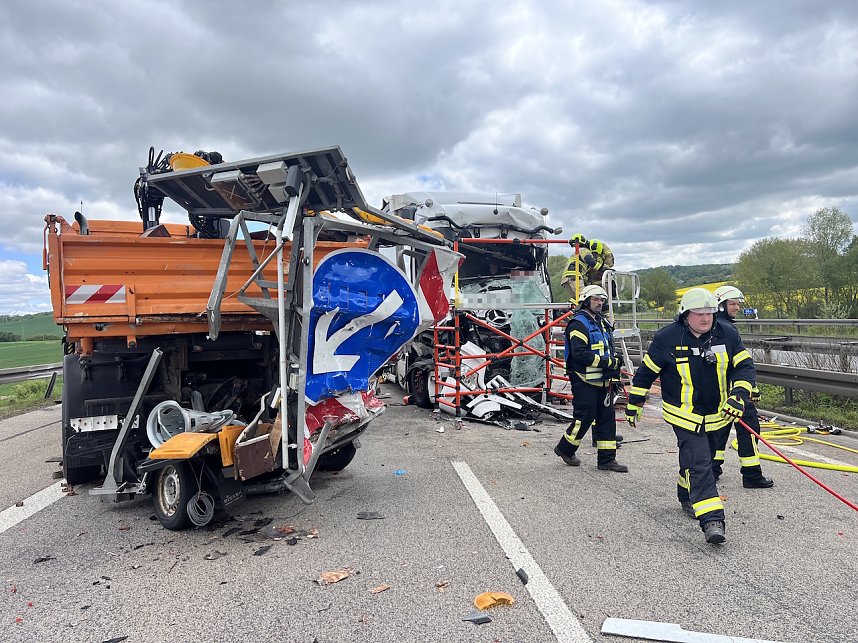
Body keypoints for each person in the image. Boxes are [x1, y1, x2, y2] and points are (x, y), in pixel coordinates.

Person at [625, 288, 755, 544]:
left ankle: (685, 492)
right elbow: (646, 372)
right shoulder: (667, 338)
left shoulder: (727, 334)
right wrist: (635, 402)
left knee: (697, 461)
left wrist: (739, 394)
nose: (706, 319)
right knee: (700, 463)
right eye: (699, 314)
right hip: (684, 417)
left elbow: (744, 367)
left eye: (710, 313)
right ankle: (712, 520)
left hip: (718, 415)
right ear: (685, 314)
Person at [554, 285, 628, 473]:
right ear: (586, 301)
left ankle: (607, 460)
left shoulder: (602, 322)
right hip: (583, 380)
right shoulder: (578, 323)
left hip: (603, 381)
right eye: (596, 299)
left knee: (607, 419)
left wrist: (614, 367)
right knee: (584, 419)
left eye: (602, 300)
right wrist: (607, 363)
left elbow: (607, 348)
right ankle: (565, 448)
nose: (599, 303)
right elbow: (580, 354)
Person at [711, 285, 774, 489]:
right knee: (749, 431)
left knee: (719, 431)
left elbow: (735, 365)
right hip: (735, 395)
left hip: (724, 393)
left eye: (738, 304)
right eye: (733, 304)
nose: (737, 307)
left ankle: (713, 469)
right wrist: (746, 390)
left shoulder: (716, 327)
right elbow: (736, 366)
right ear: (720, 306)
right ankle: (752, 475)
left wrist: (750, 388)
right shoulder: (725, 329)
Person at [560, 234, 613, 299]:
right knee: (584, 297)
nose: (594, 256)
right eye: (594, 254)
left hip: (569, 277)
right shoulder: (584, 250)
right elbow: (590, 261)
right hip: (574, 276)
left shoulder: (579, 251)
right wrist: (603, 268)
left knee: (577, 300)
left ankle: (569, 309)